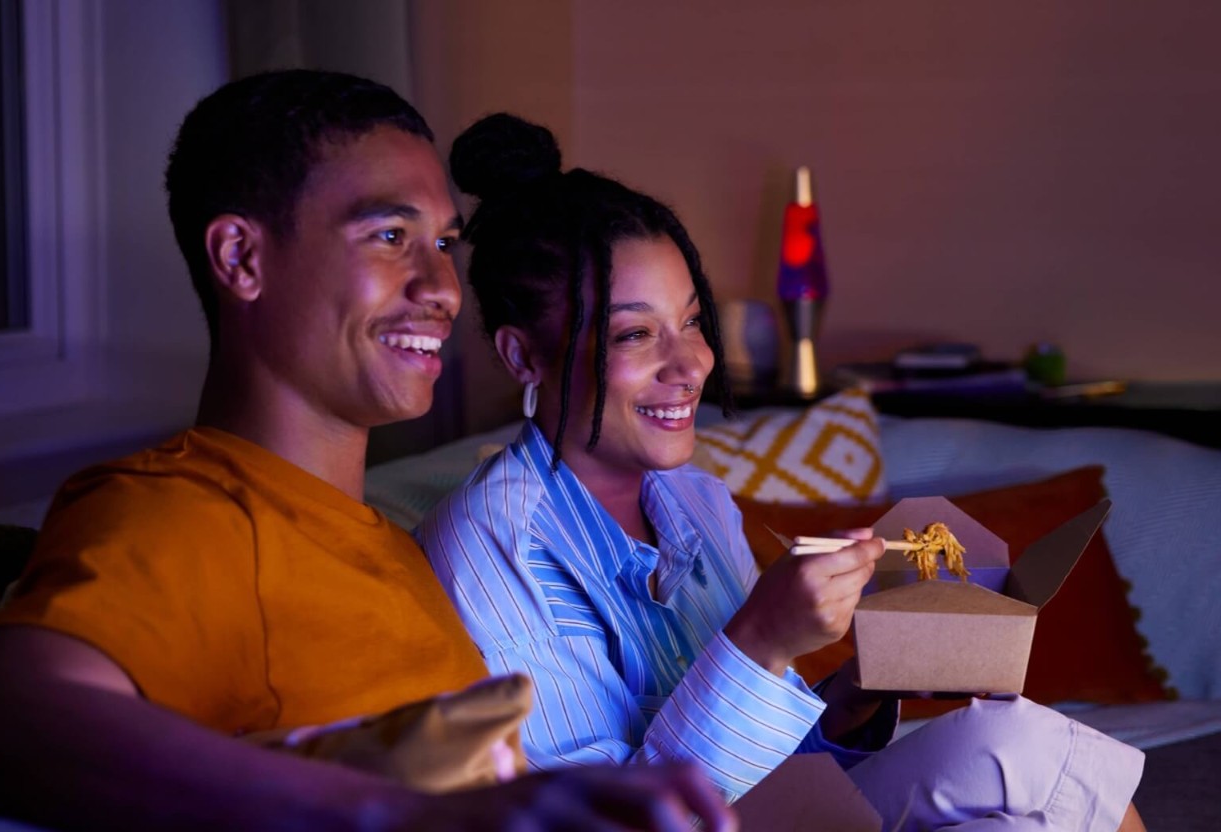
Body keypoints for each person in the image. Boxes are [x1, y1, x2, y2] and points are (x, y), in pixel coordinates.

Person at [0, 71, 733, 832]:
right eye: (391, 237)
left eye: (444, 245)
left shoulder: (389, 547)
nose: (444, 290)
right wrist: (411, 817)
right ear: (242, 260)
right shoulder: (189, 506)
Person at [416, 112, 1147, 831]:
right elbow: (609, 822)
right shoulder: (491, 550)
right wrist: (760, 638)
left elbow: (775, 770)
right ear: (522, 356)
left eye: (695, 321)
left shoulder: (694, 500)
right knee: (1021, 762)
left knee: (1014, 767)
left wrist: (859, 687)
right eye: (636, 333)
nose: (693, 364)